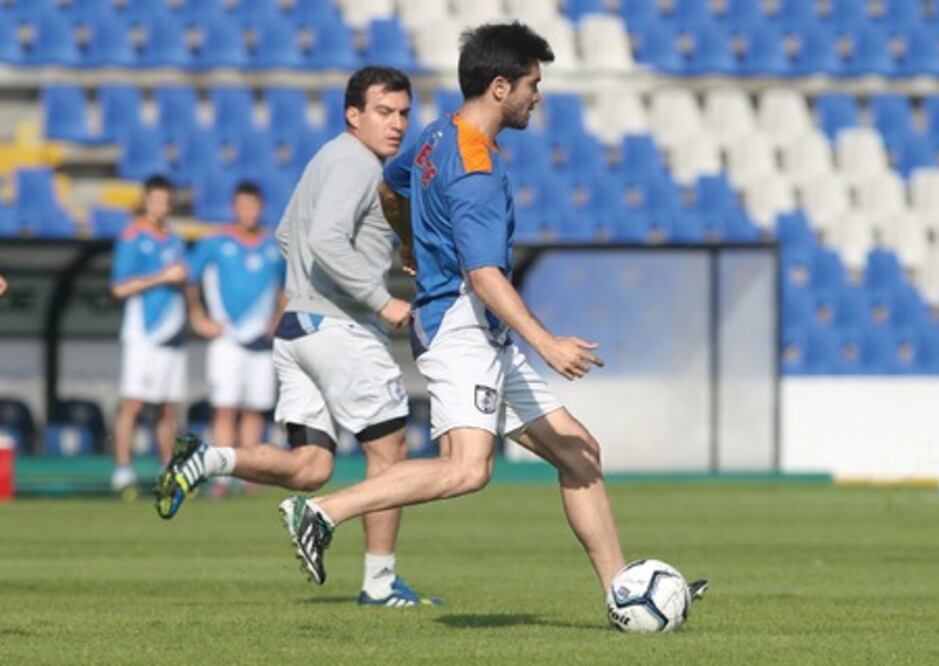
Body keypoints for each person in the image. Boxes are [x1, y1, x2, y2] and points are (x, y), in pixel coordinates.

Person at [276, 22, 708, 607]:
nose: (538, 96)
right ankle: (322, 510)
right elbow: (484, 276)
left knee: (578, 451)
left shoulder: (436, 134)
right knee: (466, 469)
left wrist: (410, 243)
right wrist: (548, 343)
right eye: (533, 83)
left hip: (481, 330)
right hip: (460, 328)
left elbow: (390, 189)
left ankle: (622, 593)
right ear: (500, 87)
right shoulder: (474, 168)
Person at [155, 67, 439, 607]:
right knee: (391, 453)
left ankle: (208, 460)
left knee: (311, 466)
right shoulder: (357, 163)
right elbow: (326, 241)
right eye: (384, 112)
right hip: (336, 327)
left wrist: (316, 287)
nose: (397, 124)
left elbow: (288, 236)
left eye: (404, 113)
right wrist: (379, 298)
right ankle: (380, 583)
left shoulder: (327, 157)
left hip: (296, 328)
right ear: (353, 115)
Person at [185, 181, 285, 492]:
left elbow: (285, 287)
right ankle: (222, 477)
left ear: (260, 207)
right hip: (227, 337)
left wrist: (278, 318)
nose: (248, 212)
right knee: (225, 408)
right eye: (243, 206)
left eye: (253, 206)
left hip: (260, 341)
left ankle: (250, 475)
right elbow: (189, 279)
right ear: (234, 208)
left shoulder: (273, 246)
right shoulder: (214, 243)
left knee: (255, 409)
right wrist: (198, 316)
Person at [110, 175, 187, 496]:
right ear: (145, 201)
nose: (160, 206)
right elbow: (119, 288)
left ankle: (166, 471)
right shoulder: (132, 236)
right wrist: (161, 278)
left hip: (173, 333)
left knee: (167, 406)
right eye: (155, 200)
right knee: (133, 403)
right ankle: (123, 471)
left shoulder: (175, 239)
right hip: (143, 333)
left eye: (165, 201)